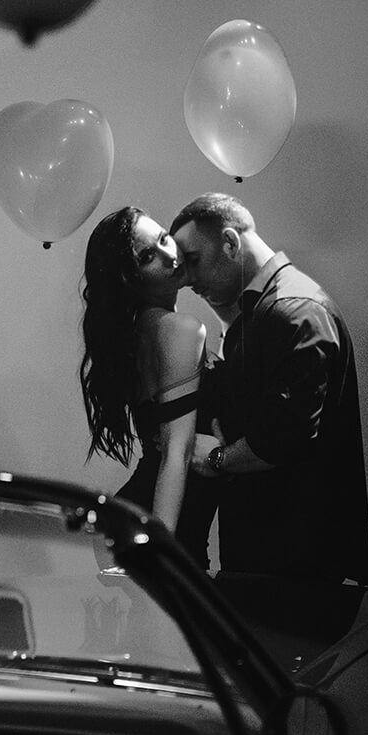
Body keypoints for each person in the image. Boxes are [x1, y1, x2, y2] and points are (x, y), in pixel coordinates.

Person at [169, 193, 368, 586]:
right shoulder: (265, 311)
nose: (188, 279)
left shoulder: (291, 311)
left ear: (230, 243)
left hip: (295, 567)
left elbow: (282, 436)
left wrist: (216, 458)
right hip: (274, 559)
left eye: (193, 260)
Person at [79, 206, 220, 570]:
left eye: (163, 239)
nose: (170, 255)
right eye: (147, 257)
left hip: (140, 516)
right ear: (130, 280)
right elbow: (176, 452)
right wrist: (161, 553)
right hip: (165, 523)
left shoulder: (137, 334)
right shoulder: (179, 330)